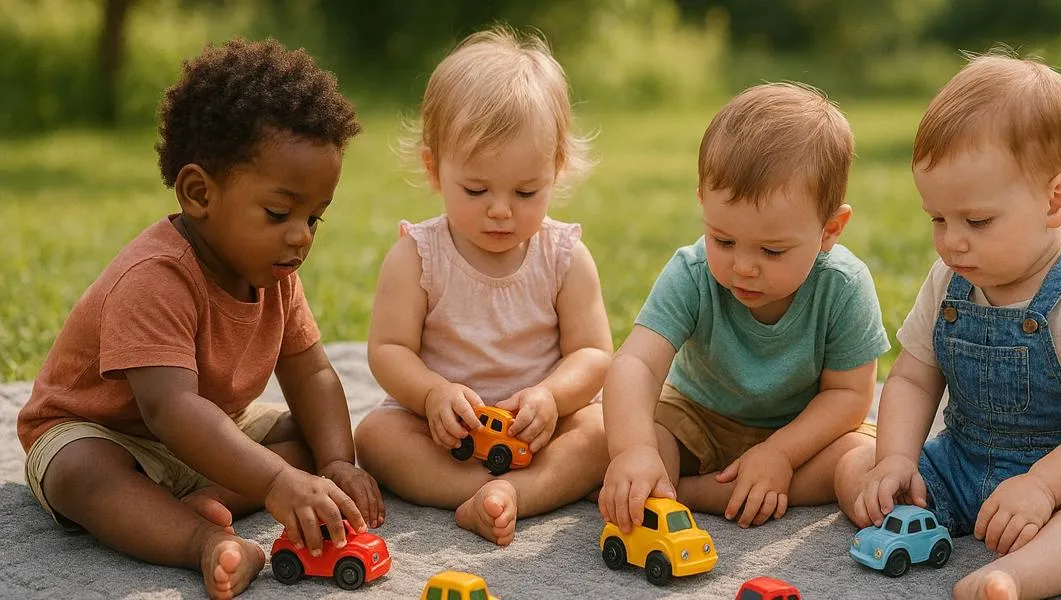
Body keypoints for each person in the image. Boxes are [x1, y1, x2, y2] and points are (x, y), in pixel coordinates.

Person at [17, 39, 384, 600]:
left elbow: (311, 372)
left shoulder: (275, 274)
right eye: (279, 213)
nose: (301, 236)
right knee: (80, 472)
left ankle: (181, 507)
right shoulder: (155, 277)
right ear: (198, 193)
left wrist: (335, 461)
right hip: (111, 433)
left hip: (210, 429)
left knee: (304, 437)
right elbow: (170, 410)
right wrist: (275, 481)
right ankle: (201, 540)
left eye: (315, 218)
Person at [850, 54, 1061, 600]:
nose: (952, 241)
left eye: (978, 221)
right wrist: (895, 458)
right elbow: (914, 378)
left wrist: (1043, 485)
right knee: (856, 464)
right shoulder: (949, 281)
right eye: (938, 219)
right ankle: (918, 509)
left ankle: (1015, 576)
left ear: (1055, 202)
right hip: (962, 462)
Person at [353, 26, 612, 547]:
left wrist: (551, 396)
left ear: (556, 170)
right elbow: (388, 350)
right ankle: (486, 492)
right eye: (475, 189)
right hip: (443, 433)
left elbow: (593, 353)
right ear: (434, 170)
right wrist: (431, 393)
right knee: (375, 437)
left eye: (525, 192)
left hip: (539, 429)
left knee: (608, 432)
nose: (500, 210)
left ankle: (514, 493)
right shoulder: (418, 256)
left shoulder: (563, 256)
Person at [597, 82, 890, 534]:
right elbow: (636, 363)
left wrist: (780, 453)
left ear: (830, 229)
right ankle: (674, 482)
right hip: (697, 419)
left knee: (864, 457)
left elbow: (849, 395)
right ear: (703, 202)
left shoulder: (844, 286)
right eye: (724, 241)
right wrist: (634, 451)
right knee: (636, 434)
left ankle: (693, 493)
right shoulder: (692, 273)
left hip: (799, 432)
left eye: (772, 251)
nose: (744, 267)